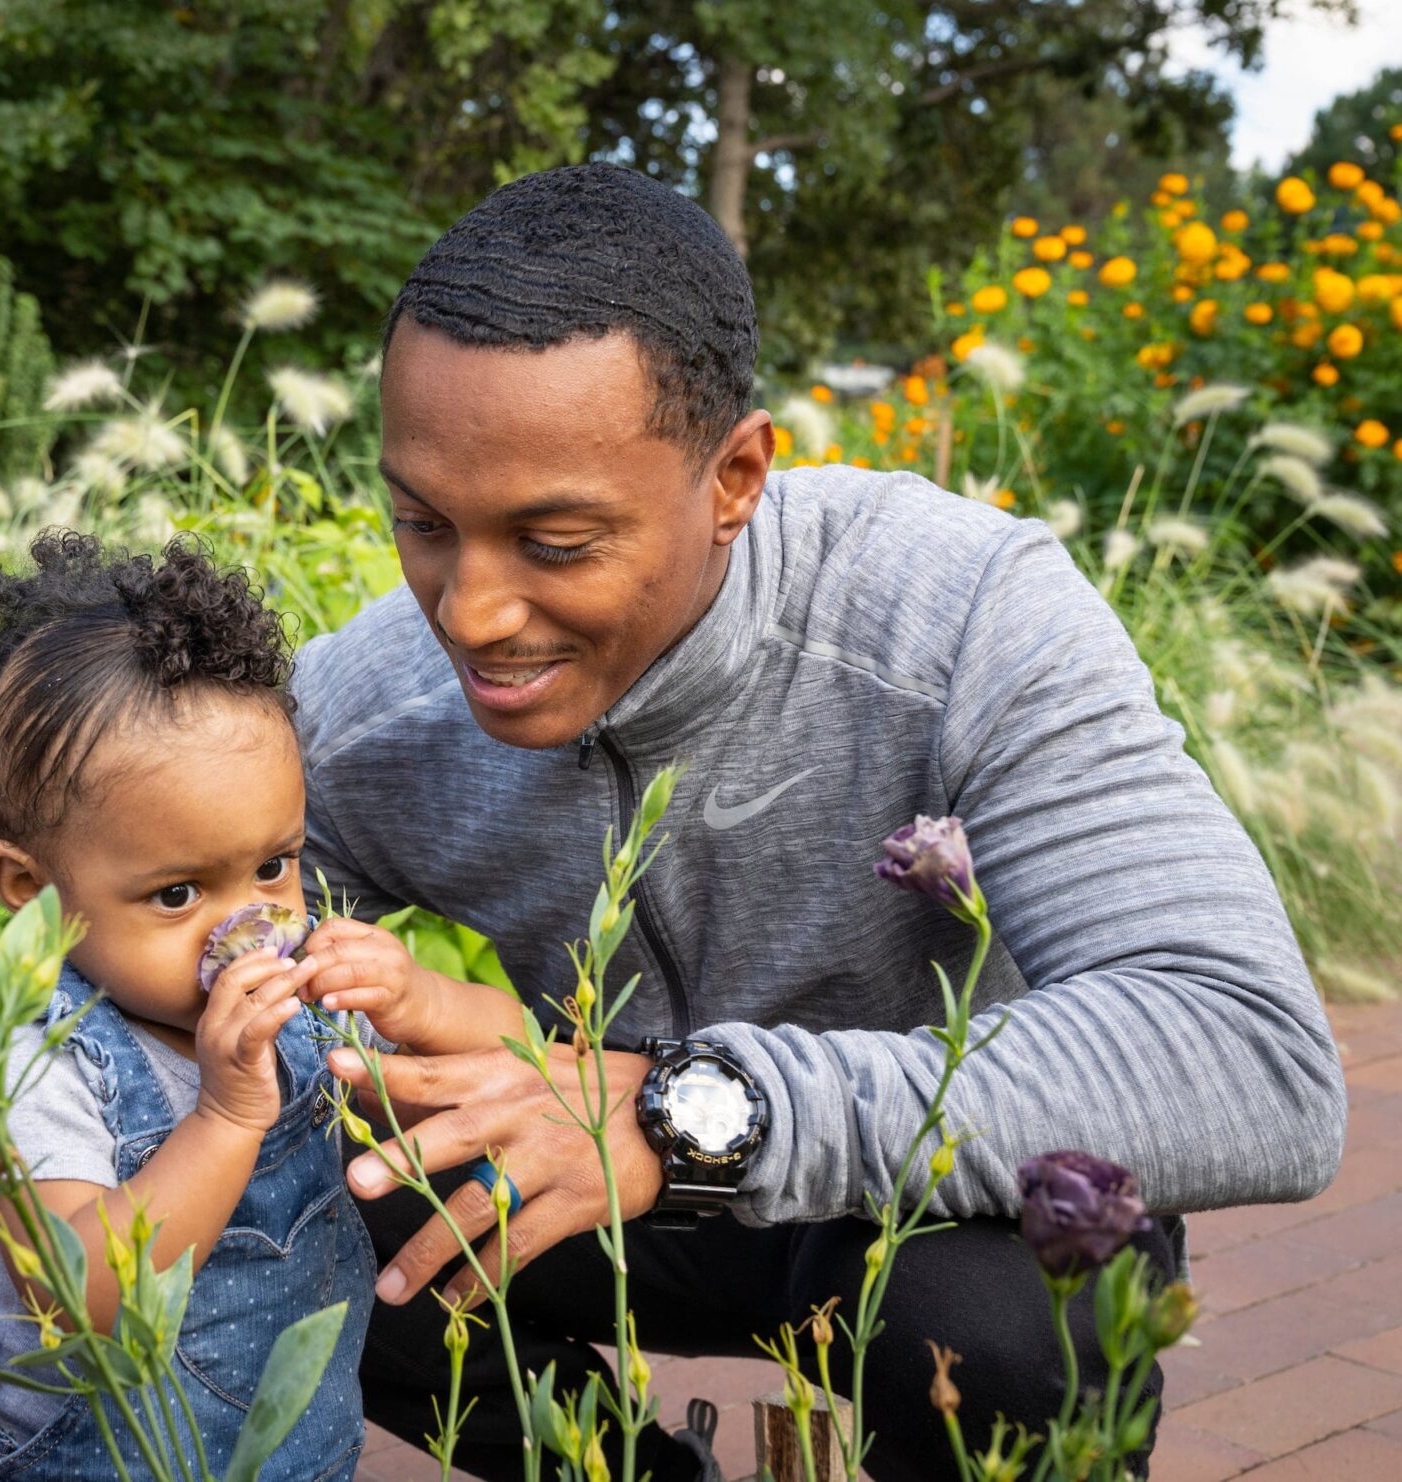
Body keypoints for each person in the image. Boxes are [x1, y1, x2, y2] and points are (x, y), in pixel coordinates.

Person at [290, 163, 1349, 1481]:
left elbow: (1253, 1054)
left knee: (998, 1334)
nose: (471, 614)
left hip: (929, 1208)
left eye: (555, 541)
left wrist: (698, 1110)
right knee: (270, 1201)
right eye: (423, 522)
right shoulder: (359, 712)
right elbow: (165, 977)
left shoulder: (963, 615)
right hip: (597, 1197)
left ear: (735, 474)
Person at [0, 533, 523, 1481]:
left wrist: (422, 997)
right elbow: (74, 1299)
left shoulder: (299, 996)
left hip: (293, 1451)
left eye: (274, 867)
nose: (250, 929)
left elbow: (525, 1056)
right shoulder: (38, 1065)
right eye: (178, 894)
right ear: (30, 885)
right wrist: (226, 1116)